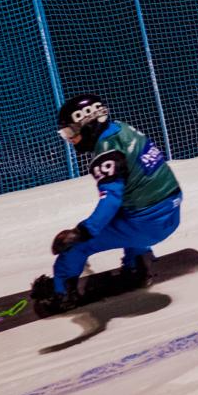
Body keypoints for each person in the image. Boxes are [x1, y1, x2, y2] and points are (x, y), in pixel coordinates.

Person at [31, 94, 182, 311]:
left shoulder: (107, 153)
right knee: (126, 212)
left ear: (89, 123)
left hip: (146, 223)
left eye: (71, 132)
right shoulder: (123, 129)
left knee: (78, 246)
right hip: (171, 210)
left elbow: (111, 199)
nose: (70, 139)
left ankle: (61, 294)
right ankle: (138, 262)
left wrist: (80, 233)